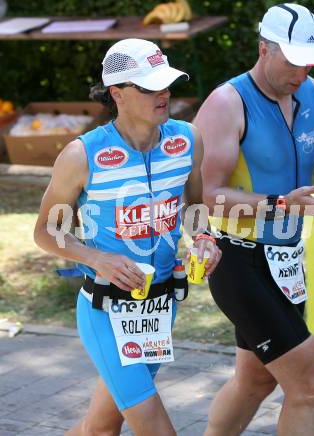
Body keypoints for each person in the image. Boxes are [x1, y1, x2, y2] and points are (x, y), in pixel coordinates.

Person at [194, 4, 314, 436]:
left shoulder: (312, 93)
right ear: (264, 49)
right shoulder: (227, 102)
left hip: (286, 260)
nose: (301, 72)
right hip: (237, 261)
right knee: (308, 383)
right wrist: (281, 205)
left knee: (255, 379)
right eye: (293, 60)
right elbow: (207, 195)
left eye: (309, 61)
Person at [34, 38, 221, 436]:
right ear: (117, 94)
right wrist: (97, 258)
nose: (164, 94)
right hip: (104, 312)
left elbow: (194, 211)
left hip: (160, 310)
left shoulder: (188, 139)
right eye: (151, 87)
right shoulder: (81, 155)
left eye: (166, 84)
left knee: (100, 428)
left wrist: (204, 239)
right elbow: (45, 232)